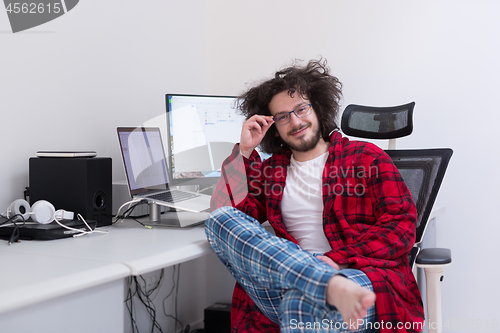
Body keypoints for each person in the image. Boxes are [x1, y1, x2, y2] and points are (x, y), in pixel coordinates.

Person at [205, 59, 424, 332]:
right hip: (287, 281)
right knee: (220, 219)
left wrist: (337, 261)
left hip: (357, 276)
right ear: (274, 126)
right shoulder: (272, 169)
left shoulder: (366, 158)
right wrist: (245, 151)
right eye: (283, 117)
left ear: (318, 108)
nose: (295, 121)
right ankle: (323, 283)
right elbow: (229, 212)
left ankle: (328, 284)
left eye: (301, 109)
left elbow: (400, 228)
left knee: (302, 302)